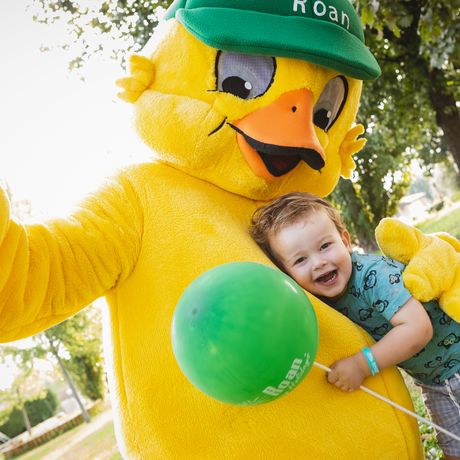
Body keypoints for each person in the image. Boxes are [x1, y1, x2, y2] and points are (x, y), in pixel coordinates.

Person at [250, 191, 460, 460]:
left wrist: (364, 364)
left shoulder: (373, 276)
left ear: (345, 240)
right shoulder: (320, 302)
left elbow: (418, 328)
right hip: (433, 382)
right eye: (300, 260)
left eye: (325, 246)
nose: (319, 262)